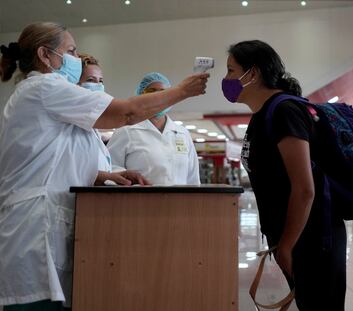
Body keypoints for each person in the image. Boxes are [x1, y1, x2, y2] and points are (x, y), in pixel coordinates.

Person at [0, 22, 208, 311]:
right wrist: (181, 91)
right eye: (70, 51)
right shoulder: (45, 88)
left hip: (46, 225)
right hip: (34, 231)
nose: (76, 57)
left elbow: (54, 160)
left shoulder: (43, 94)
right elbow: (127, 112)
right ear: (45, 55)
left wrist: (106, 176)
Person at [222, 40, 346, 310]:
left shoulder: (284, 111)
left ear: (252, 74)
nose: (226, 79)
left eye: (231, 70)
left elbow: (304, 189)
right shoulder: (264, 114)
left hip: (312, 237)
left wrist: (287, 245)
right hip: (295, 236)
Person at [107, 72, 200, 185]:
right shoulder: (126, 130)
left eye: (163, 93)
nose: (158, 98)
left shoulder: (182, 133)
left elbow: (193, 178)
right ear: (141, 96)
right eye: (151, 92)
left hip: (179, 201)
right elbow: (109, 168)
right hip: (140, 200)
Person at [78, 53, 149, 186]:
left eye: (100, 81)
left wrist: (116, 175)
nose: (98, 85)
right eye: (91, 80)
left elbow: (95, 169)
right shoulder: (71, 125)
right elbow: (70, 170)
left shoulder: (93, 130)